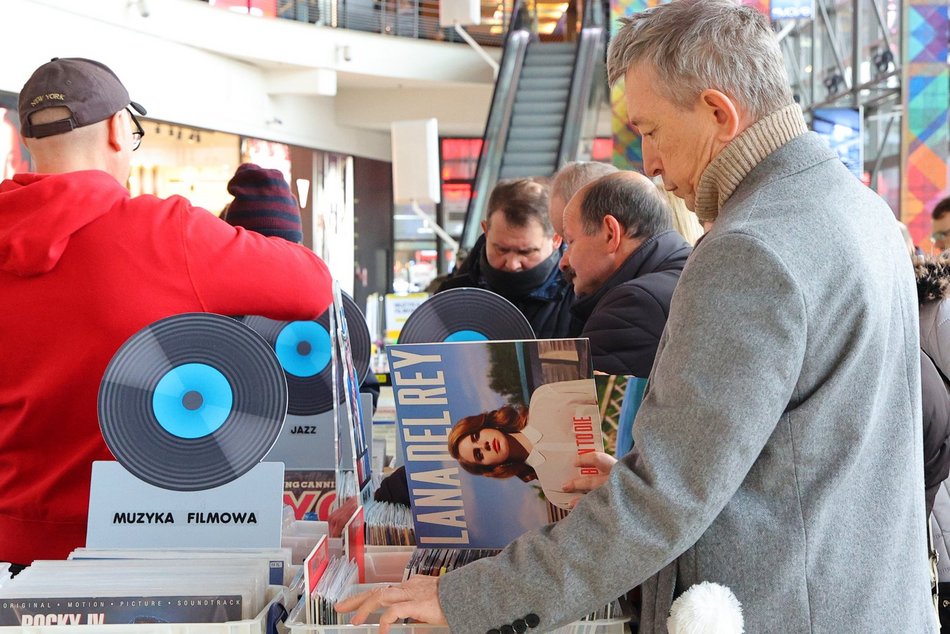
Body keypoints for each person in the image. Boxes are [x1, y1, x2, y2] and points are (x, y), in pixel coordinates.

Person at [338, 2, 935, 631]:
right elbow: (806, 451)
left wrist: (468, 597)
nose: (648, 164)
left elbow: (665, 498)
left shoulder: (750, 249)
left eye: (651, 130)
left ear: (718, 114)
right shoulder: (856, 208)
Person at [0, 57, 333, 569]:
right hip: (135, 550)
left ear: (28, 141)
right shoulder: (165, 233)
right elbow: (313, 286)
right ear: (118, 129)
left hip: (10, 548)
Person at [562, 171, 691, 376]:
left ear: (610, 234)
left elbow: (574, 406)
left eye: (570, 242)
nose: (563, 261)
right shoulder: (689, 269)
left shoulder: (633, 304)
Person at [438, 178, 574, 338]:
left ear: (556, 239)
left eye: (526, 252)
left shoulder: (581, 296)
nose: (512, 264)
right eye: (501, 249)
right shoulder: (449, 299)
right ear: (486, 230)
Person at [447, 379, 601, 510]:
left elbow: (601, 387)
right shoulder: (556, 492)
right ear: (490, 467)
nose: (484, 446)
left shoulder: (544, 397)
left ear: (485, 425)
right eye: (478, 454)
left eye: (476, 436)